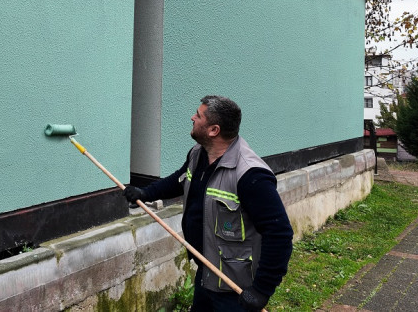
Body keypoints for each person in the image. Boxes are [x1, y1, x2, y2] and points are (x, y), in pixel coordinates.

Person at [124, 95, 293, 311]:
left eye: (199, 115)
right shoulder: (199, 154)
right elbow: (180, 179)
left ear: (214, 130)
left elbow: (279, 233)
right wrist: (144, 193)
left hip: (235, 288)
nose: (192, 117)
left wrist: (262, 289)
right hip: (207, 273)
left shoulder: (251, 175)